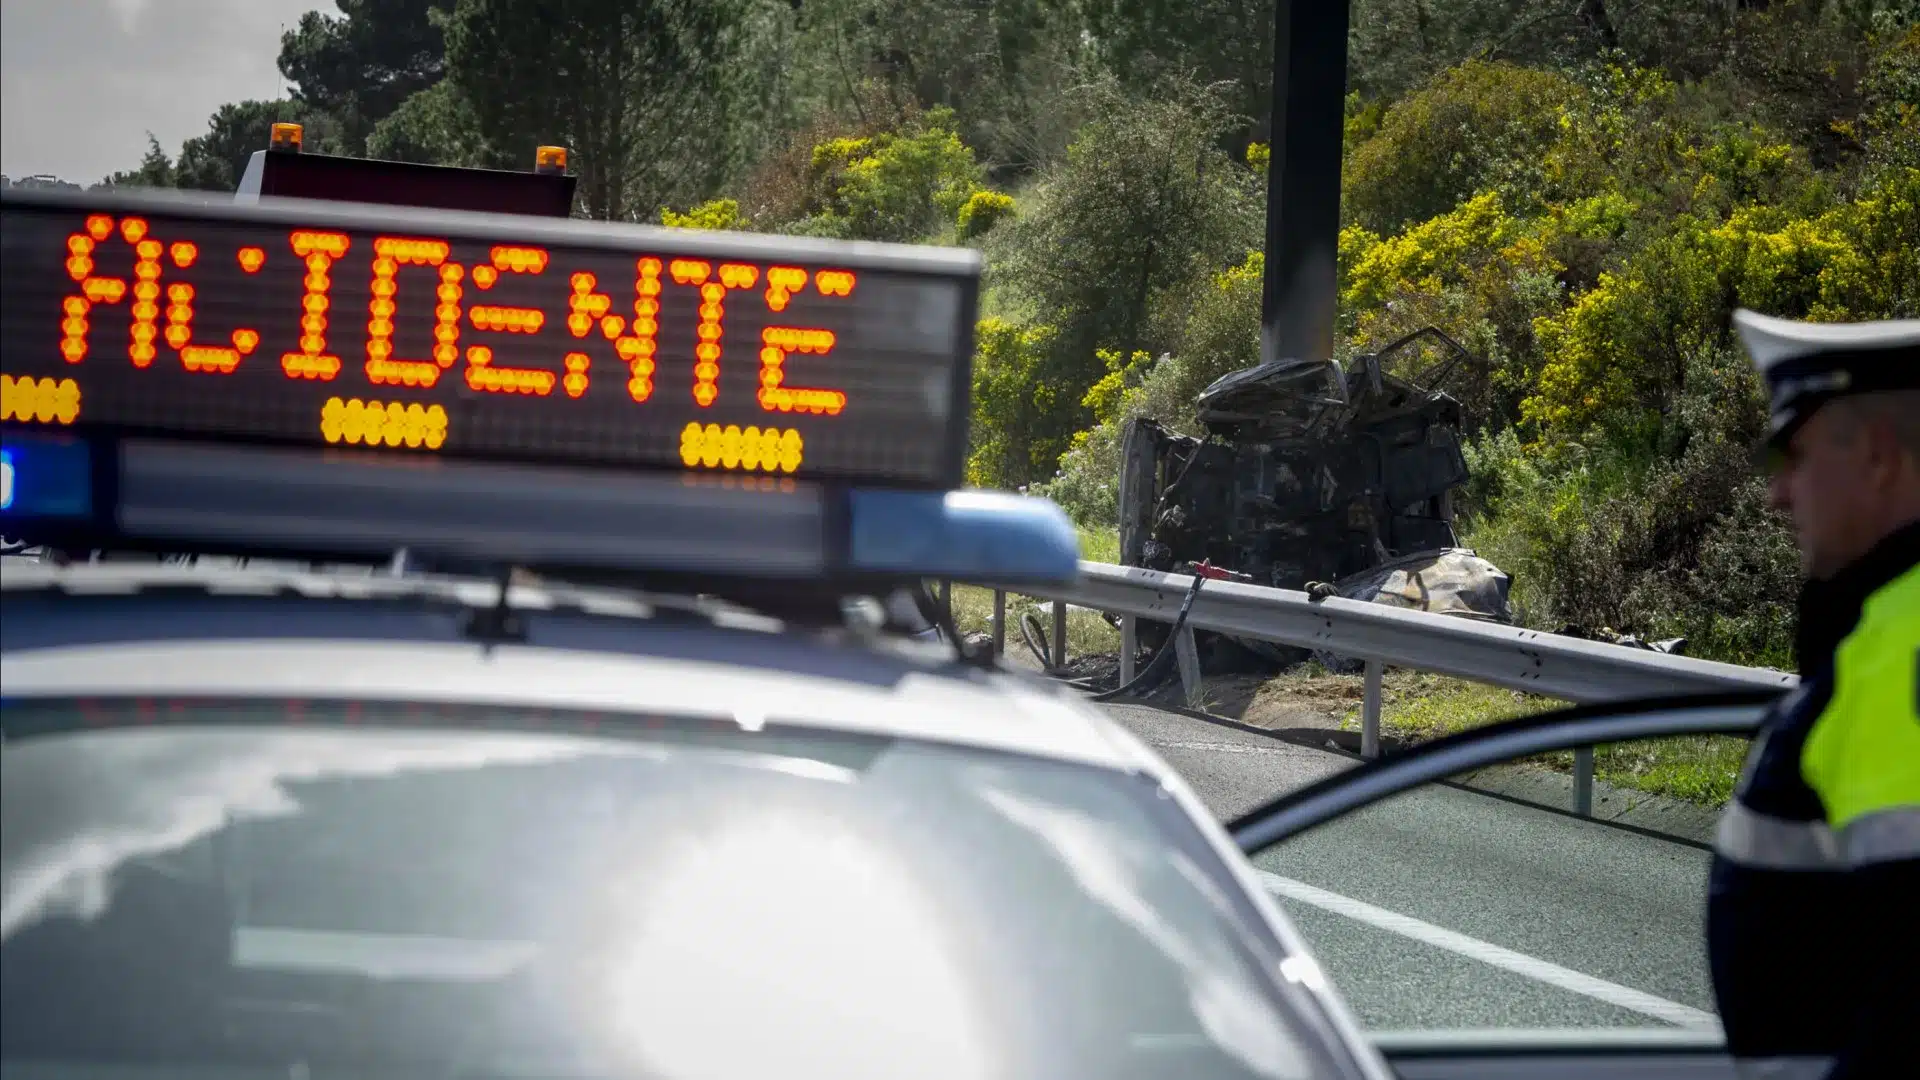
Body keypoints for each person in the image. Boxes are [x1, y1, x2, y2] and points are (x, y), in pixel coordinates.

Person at [1707, 308, 1920, 1079]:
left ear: (1873, 454)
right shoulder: (1885, 630)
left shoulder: (1903, 653)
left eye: (1793, 455)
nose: (1777, 495)